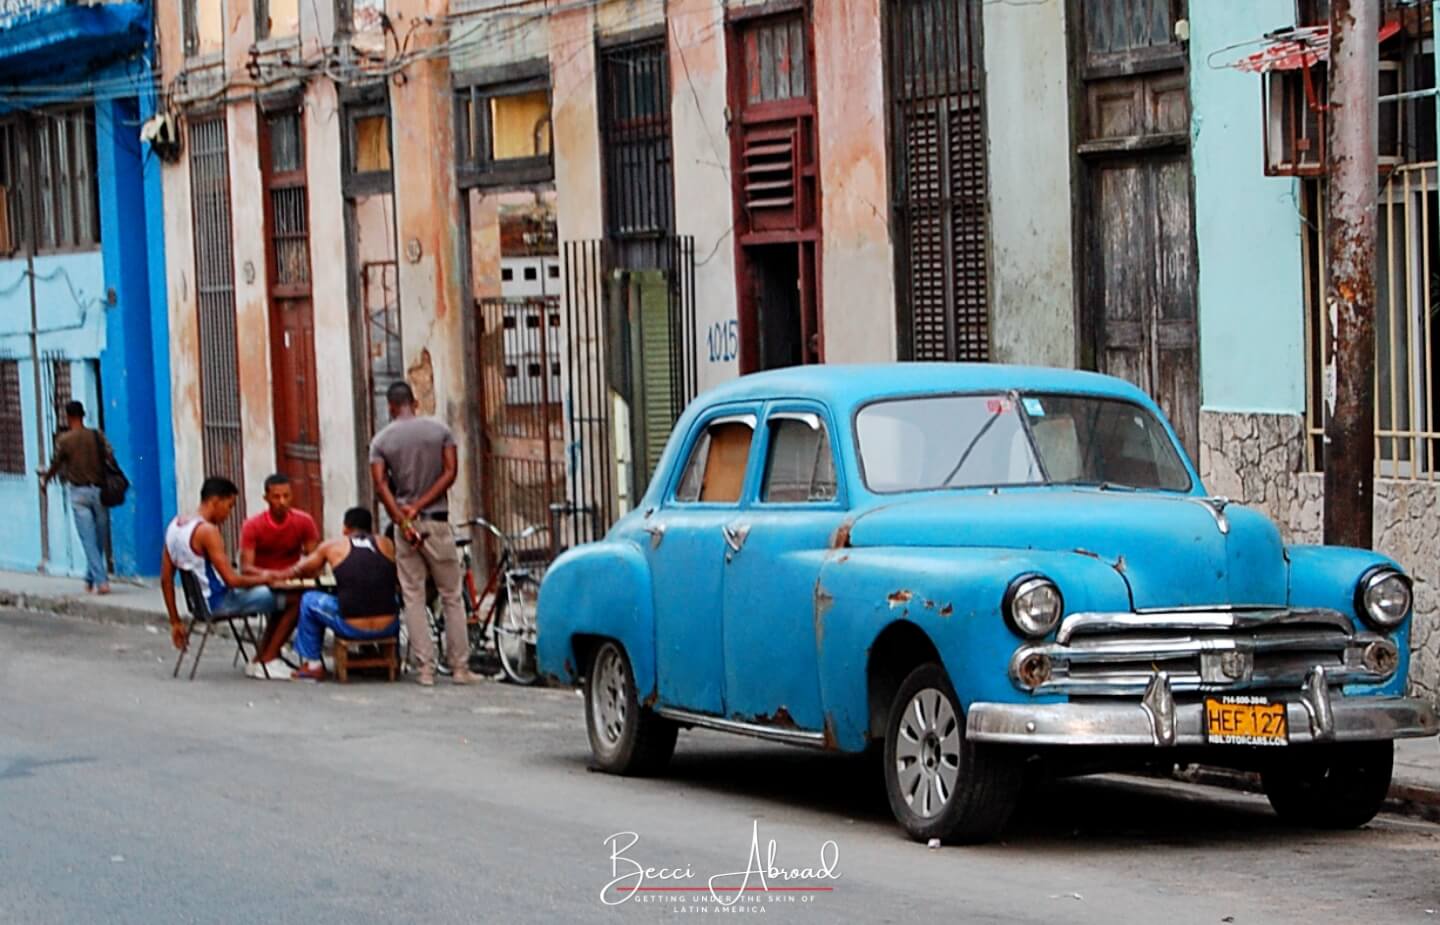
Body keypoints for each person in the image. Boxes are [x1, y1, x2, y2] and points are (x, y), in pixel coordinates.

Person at [369, 381, 477, 686]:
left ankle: (425, 670)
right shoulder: (440, 430)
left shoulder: (381, 441)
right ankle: (459, 668)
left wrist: (403, 517)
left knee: (413, 595)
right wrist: (421, 505)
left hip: (406, 527)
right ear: (414, 403)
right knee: (451, 595)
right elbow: (450, 472)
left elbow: (380, 486)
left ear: (391, 407)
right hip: (437, 521)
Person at [160, 477, 289, 679]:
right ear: (215, 501)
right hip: (220, 601)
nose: (228, 514)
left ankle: (265, 654)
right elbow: (232, 580)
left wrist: (175, 621)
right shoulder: (207, 531)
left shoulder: (175, 526)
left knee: (270, 594)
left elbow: (166, 579)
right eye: (229, 506)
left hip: (199, 604)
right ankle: (268, 658)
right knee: (288, 598)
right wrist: (267, 578)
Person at [282, 507, 401, 682]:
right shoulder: (387, 544)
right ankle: (387, 657)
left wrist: (271, 575)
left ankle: (313, 665)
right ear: (371, 528)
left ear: (346, 528)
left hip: (351, 626)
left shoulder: (332, 545)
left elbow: (301, 569)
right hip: (389, 625)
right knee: (390, 598)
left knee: (309, 600)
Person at [240, 473, 320, 666]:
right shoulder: (252, 525)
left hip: (293, 580)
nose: (282, 501)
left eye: (286, 496)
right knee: (298, 601)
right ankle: (270, 656)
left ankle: (262, 656)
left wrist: (298, 572)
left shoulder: (304, 521)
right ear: (266, 498)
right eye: (276, 497)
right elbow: (246, 568)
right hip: (263, 583)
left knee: (304, 596)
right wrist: (271, 576)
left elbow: (314, 558)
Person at [38, 401, 115, 594]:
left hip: (79, 493)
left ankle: (100, 580)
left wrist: (46, 480)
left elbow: (55, 464)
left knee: (89, 540)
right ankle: (92, 578)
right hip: (99, 491)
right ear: (83, 414)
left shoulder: (64, 441)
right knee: (98, 539)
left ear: (68, 417)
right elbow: (111, 456)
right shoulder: (97, 436)